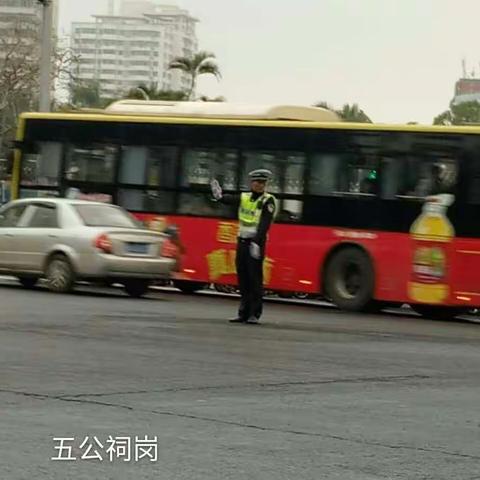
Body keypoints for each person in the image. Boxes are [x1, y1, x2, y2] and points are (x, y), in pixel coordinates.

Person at [211, 169, 277, 324]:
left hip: (256, 244)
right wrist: (219, 196)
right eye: (257, 182)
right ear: (251, 183)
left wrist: (256, 242)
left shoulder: (268, 200)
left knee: (255, 278)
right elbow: (230, 199)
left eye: (263, 183)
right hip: (242, 242)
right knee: (243, 278)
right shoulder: (245, 197)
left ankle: (255, 313)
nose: (260, 185)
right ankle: (243, 313)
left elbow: (264, 224)